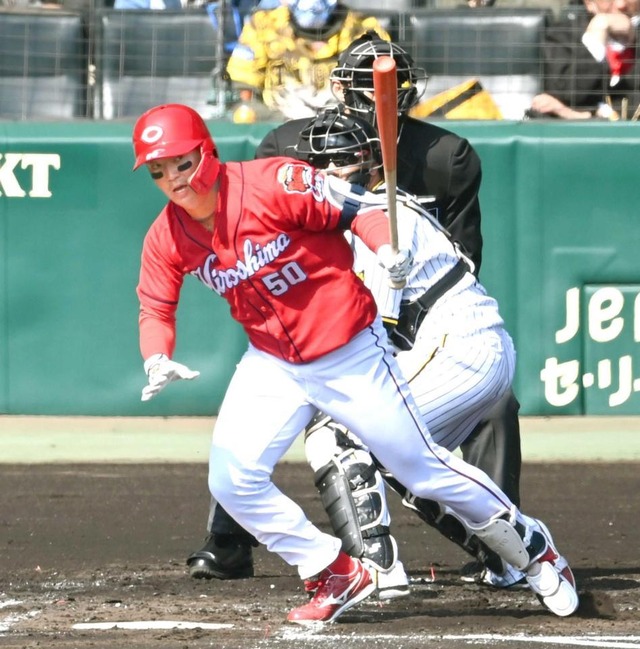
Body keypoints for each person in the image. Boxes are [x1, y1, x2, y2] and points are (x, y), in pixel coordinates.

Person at [133, 101, 579, 623]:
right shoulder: (167, 235)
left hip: (349, 351)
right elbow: (154, 305)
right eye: (159, 171)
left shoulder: (276, 182)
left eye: (181, 163)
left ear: (205, 152)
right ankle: (334, 569)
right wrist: (156, 355)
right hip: (273, 362)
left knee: (423, 470)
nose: (173, 179)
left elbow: (362, 209)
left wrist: (387, 248)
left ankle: (532, 546)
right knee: (233, 480)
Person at [187, 31, 525, 590]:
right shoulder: (287, 145)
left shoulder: (444, 159)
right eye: (364, 94)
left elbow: (464, 262)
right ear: (341, 92)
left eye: (388, 94)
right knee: (271, 398)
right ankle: (227, 540)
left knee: (495, 401)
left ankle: (499, 541)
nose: (378, 105)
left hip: (414, 315)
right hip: (320, 303)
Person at [224, 0, 390, 120]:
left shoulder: (365, 28)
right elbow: (243, 84)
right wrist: (275, 120)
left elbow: (388, 87)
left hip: (348, 124)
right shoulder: (262, 24)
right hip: (278, 122)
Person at [529, 0, 640, 120]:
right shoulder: (562, 36)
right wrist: (596, 35)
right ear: (589, 3)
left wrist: (574, 114)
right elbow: (566, 95)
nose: (621, 5)